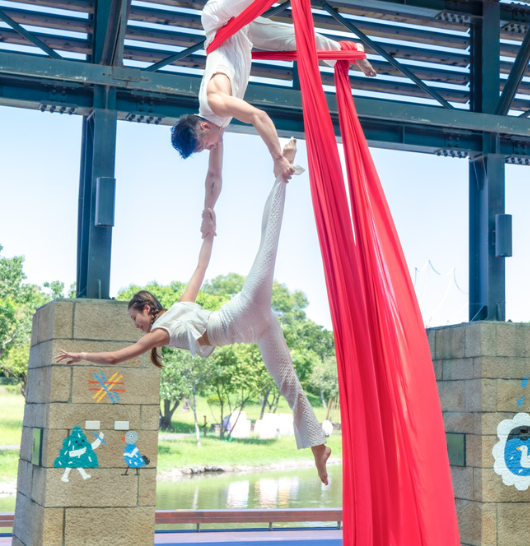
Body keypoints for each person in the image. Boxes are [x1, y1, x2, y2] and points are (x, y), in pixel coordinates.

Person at [54, 140, 332, 485]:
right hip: (256, 330)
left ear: (146, 308)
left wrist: (80, 355)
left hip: (240, 315)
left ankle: (282, 172)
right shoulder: (175, 316)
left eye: (134, 318)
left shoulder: (164, 328)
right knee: (288, 382)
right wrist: (208, 235)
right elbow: (202, 263)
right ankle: (317, 443)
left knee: (268, 245)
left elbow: (115, 358)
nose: (136, 327)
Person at [169, 0, 377, 214]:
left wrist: (277, 158)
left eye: (205, 146)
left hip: (218, 20)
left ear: (204, 127)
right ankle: (346, 53)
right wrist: (208, 212)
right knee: (295, 41)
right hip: (241, 34)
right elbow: (214, 177)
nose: (211, 149)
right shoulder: (219, 124)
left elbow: (258, 115)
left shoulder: (215, 103)